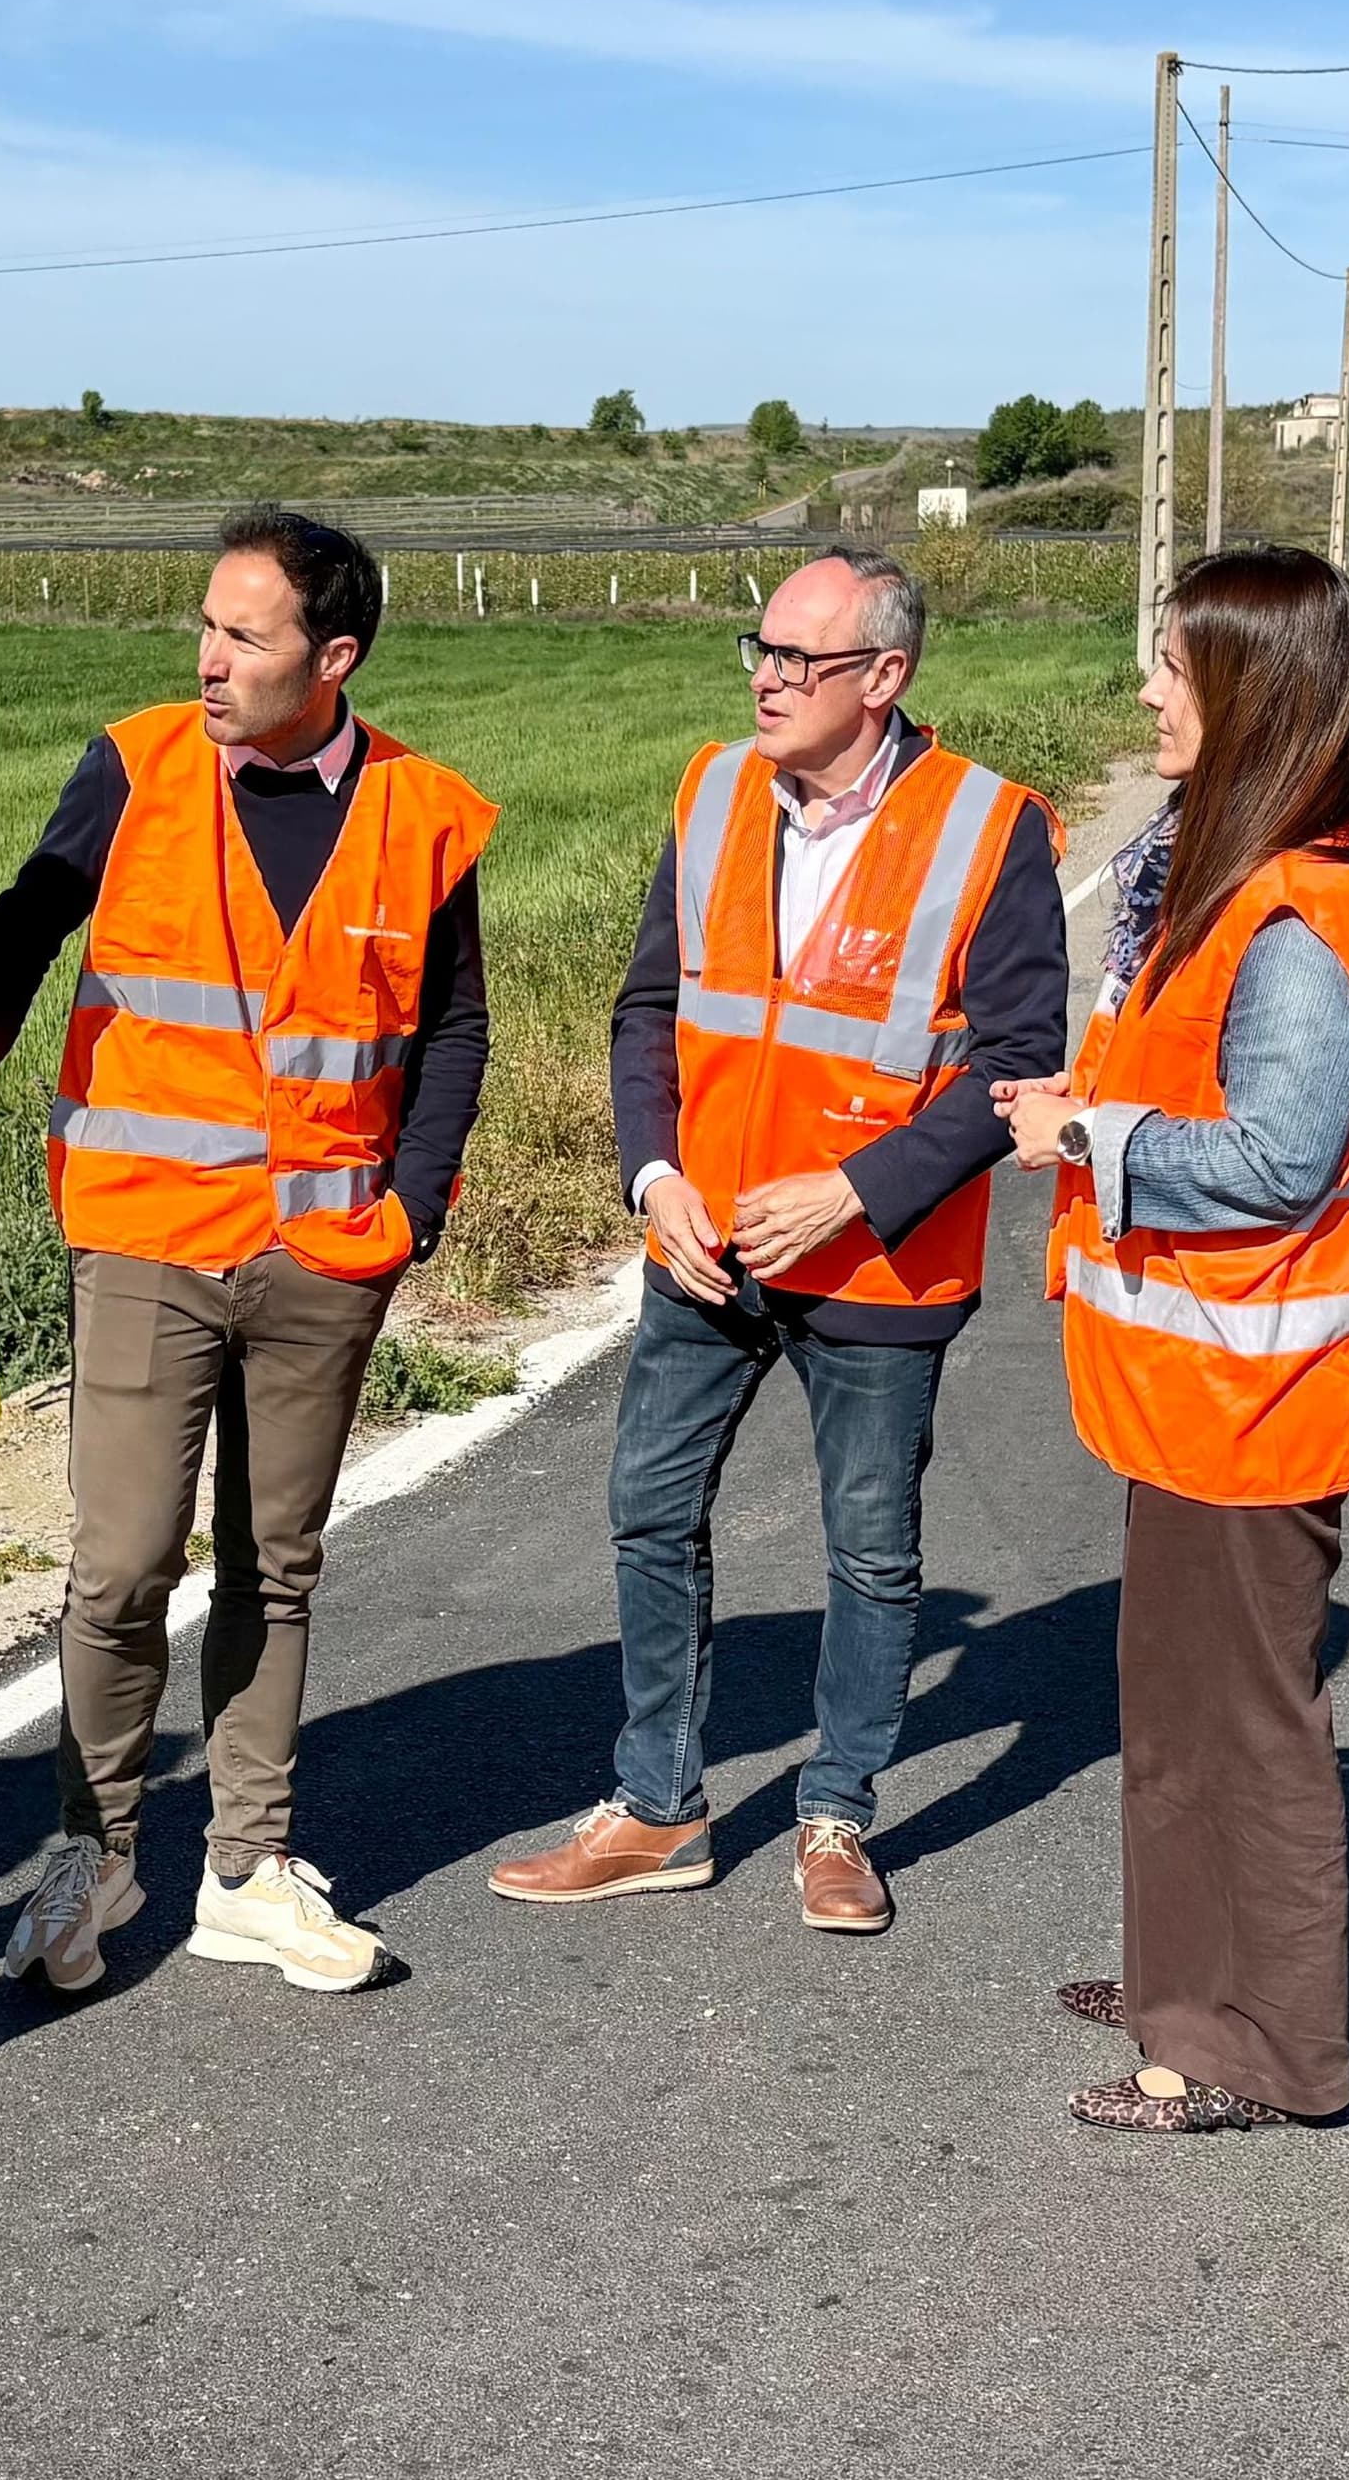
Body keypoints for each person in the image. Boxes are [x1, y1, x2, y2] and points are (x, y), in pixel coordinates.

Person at [0, 509, 495, 1997]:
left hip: (322, 1254)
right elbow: (35, 910)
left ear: (332, 655)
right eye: (208, 626)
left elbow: (455, 1024)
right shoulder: (138, 762)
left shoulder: (425, 812)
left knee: (274, 1566)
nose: (208, 657)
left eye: (244, 634)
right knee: (117, 1567)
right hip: (147, 1238)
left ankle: (247, 1866)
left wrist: (412, 1210)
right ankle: (91, 1853)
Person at [491, 551, 1067, 1934]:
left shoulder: (991, 828)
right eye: (757, 648)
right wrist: (651, 1174)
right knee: (647, 1505)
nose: (762, 675)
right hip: (703, 1244)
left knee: (867, 1550)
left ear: (883, 678)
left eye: (796, 660)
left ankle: (837, 1814)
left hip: (879, 1264)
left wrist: (859, 1191)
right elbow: (648, 1009)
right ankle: (658, 1807)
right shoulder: (709, 794)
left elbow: (1020, 1060)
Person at [998, 544, 1349, 2134]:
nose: (1146, 690)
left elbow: (1279, 1159)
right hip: (1216, 1383)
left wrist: (1088, 1136)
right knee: (1182, 1706)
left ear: (1255, 699)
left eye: (1173, 669)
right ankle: (1181, 1976)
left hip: (1253, 1388)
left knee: (1238, 1726)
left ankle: (1251, 2047)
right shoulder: (1280, 863)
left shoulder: (1296, 913)